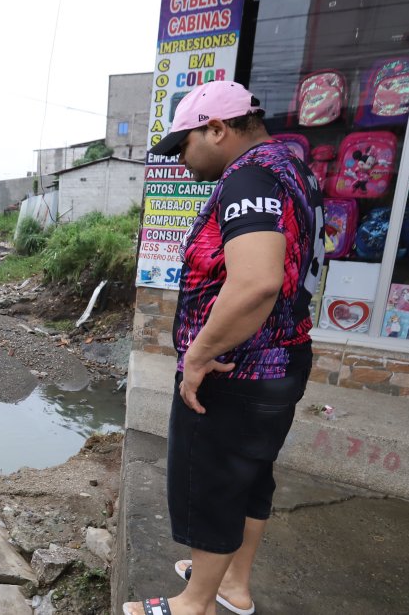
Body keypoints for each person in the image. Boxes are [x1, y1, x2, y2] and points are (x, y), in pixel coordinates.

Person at [123, 81, 324, 615]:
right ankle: (232, 584)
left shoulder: (249, 178)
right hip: (284, 358)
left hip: (237, 369)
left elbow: (256, 282)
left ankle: (195, 604)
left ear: (217, 129)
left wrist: (196, 356)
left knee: (210, 482)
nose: (181, 160)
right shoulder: (292, 167)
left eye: (184, 145)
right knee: (251, 474)